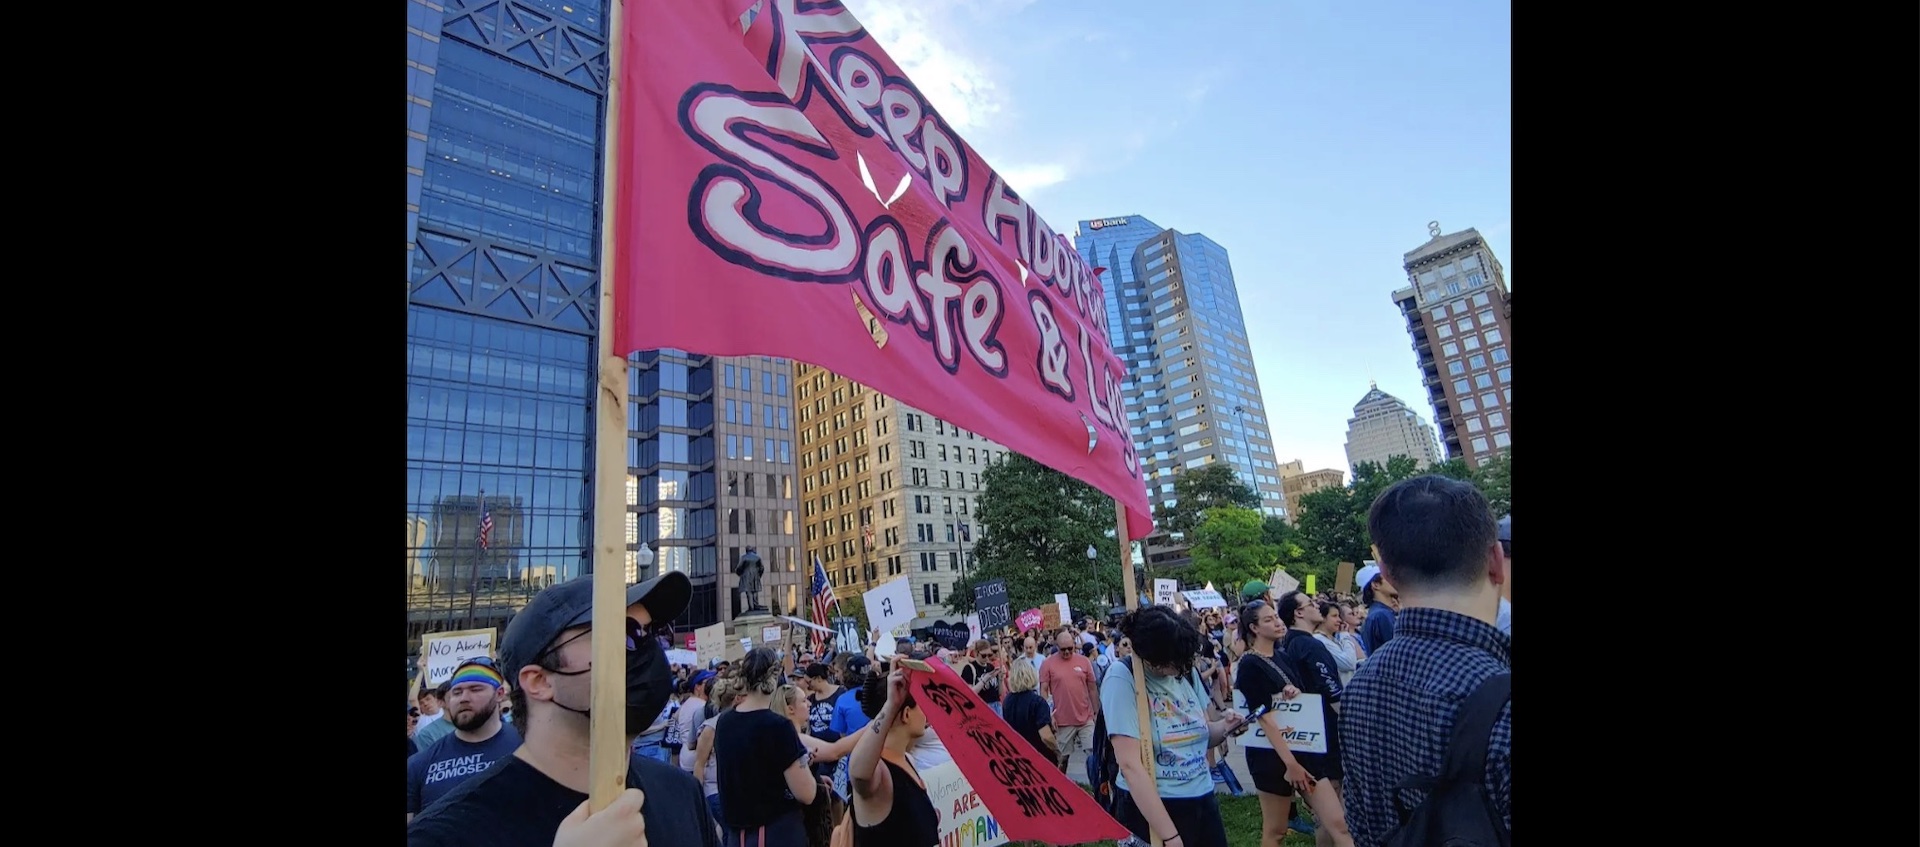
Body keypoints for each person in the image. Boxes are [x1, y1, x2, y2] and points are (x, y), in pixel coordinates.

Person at [405, 572, 718, 847]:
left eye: (651, 633)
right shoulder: (444, 835)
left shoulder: (682, 795)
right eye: (621, 633)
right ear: (539, 680)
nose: (647, 650)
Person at [1341, 476, 1511, 847]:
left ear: (1387, 573)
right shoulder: (1503, 703)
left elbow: (1360, 822)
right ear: (1496, 561)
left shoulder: (1359, 689)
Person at [1099, 606, 1247, 847]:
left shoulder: (1186, 673)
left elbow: (1203, 735)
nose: (1182, 667)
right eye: (1175, 662)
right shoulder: (1123, 677)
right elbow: (1129, 765)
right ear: (1154, 657)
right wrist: (1170, 836)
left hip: (1201, 797)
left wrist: (1226, 726)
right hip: (1155, 805)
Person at [714, 648, 818, 846]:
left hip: (737, 834)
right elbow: (807, 793)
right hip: (775, 832)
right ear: (774, 678)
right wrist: (805, 762)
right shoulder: (778, 726)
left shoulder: (724, 721)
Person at [407, 658, 522, 823]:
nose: (464, 698)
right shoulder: (419, 764)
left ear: (499, 694)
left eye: (475, 689)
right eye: (457, 692)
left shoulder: (530, 747)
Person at [845, 665, 940, 847]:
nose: (927, 712)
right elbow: (858, 773)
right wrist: (891, 705)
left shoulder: (906, 759)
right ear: (906, 714)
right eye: (922, 706)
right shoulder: (880, 771)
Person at [1039, 628, 1099, 773]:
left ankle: (1095, 788)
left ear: (1075, 645)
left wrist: (1096, 712)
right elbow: (1044, 690)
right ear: (1056, 647)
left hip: (1085, 718)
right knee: (1062, 759)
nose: (1066, 652)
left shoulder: (1084, 662)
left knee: (1092, 756)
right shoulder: (1048, 664)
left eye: (1070, 649)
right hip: (1062, 721)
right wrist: (1048, 714)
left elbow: (1092, 688)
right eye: (1063, 649)